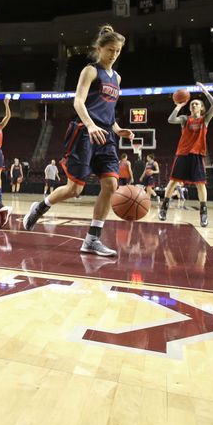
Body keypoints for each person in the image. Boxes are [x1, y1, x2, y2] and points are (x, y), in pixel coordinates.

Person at [23, 24, 134, 256]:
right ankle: (40, 207)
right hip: (84, 131)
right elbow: (78, 101)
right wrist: (91, 125)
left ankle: (92, 239)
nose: (114, 54)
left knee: (111, 185)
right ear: (99, 48)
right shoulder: (91, 71)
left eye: (118, 51)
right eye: (110, 50)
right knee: (75, 189)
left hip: (106, 135)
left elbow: (108, 110)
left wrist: (118, 129)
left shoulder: (117, 78)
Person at [158, 82, 213, 226]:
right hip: (183, 153)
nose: (193, 105)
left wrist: (205, 91)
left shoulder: (205, 120)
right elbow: (171, 119)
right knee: (173, 181)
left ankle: (203, 213)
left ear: (202, 108)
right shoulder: (185, 119)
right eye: (192, 104)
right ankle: (164, 208)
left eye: (197, 104)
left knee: (200, 184)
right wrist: (179, 106)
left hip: (197, 154)